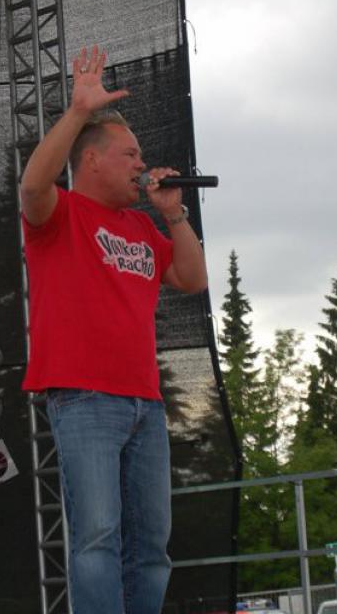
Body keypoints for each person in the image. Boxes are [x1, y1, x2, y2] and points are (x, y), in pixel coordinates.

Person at [20, 45, 208, 614]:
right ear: (92, 160)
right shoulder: (62, 213)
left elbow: (192, 279)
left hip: (145, 402)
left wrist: (172, 213)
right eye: (130, 154)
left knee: (152, 546)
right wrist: (79, 111)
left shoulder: (142, 227)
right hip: (84, 398)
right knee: (98, 536)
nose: (140, 164)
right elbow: (32, 187)